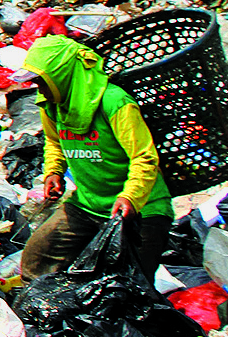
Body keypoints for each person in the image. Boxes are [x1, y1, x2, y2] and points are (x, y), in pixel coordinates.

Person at [17, 35, 172, 279]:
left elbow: (144, 157)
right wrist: (54, 172)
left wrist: (130, 197)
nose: (40, 89)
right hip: (87, 205)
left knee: (127, 285)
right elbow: (54, 141)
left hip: (141, 210)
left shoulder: (115, 102)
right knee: (36, 260)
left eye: (42, 82)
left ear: (62, 76)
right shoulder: (51, 104)